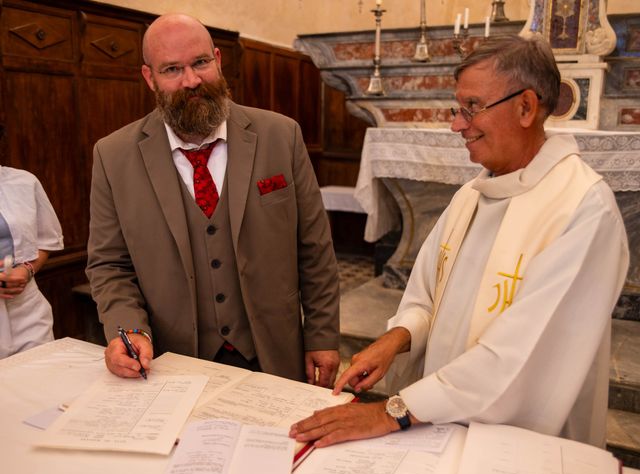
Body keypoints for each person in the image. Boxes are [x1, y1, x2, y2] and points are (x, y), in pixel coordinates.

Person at [290, 35, 629, 448]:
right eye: (458, 108)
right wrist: (397, 338)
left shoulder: (582, 208)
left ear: (525, 107)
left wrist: (391, 410)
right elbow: (429, 295)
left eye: (473, 108)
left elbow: (521, 355)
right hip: (440, 420)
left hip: (521, 443)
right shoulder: (472, 194)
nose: (456, 123)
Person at [86, 13, 340, 386]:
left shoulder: (281, 137)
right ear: (149, 77)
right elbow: (110, 264)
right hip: (172, 364)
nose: (192, 81)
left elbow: (314, 249)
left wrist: (321, 335)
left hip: (274, 356)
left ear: (218, 61)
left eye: (201, 63)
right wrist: (129, 330)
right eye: (172, 69)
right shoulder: (113, 156)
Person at [0, 166, 64, 358]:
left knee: (40, 380)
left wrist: (28, 269)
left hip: (26, 307)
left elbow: (46, 239)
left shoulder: (25, 181)